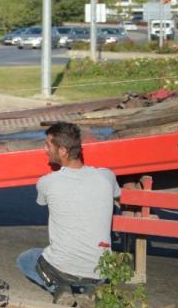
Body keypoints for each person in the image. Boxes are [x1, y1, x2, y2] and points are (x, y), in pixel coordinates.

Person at [17, 122, 120, 297]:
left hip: (62, 269)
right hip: (101, 271)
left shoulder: (47, 182)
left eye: (48, 145)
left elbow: (42, 202)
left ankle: (59, 288)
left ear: (63, 151)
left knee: (25, 259)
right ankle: (91, 289)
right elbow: (116, 195)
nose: (45, 150)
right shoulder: (106, 176)